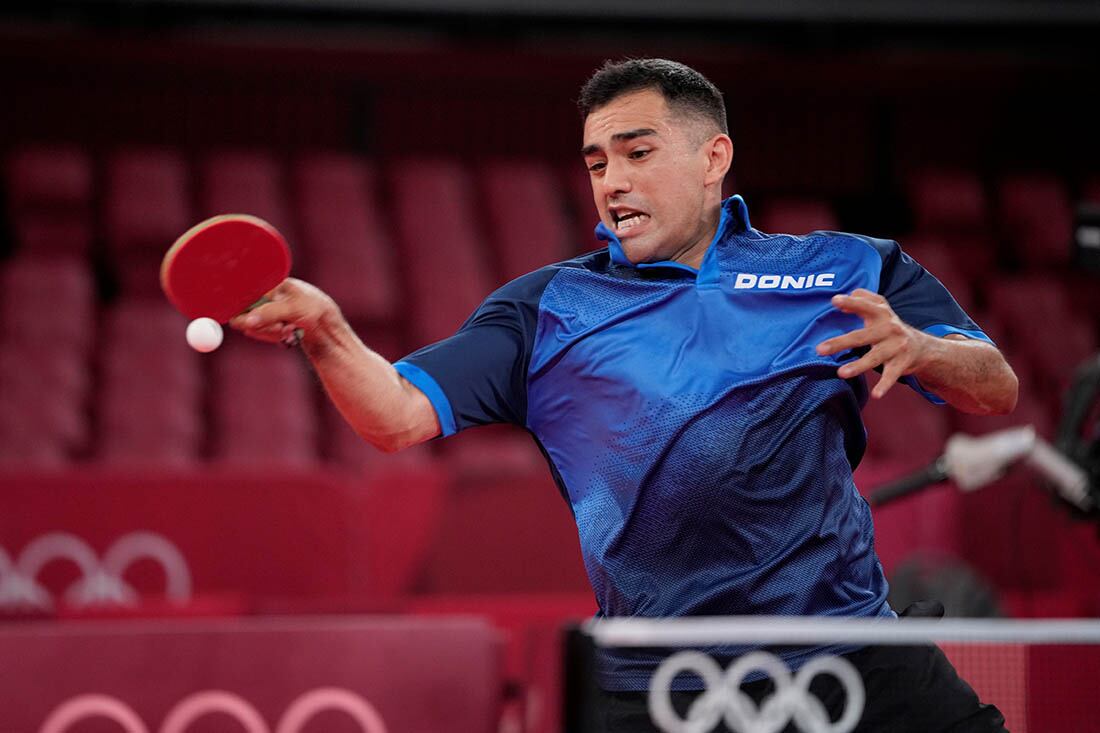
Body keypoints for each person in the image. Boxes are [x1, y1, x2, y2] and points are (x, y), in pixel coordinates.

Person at [233, 58, 1018, 732]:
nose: (613, 181)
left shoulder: (844, 267)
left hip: (852, 658)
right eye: (597, 162)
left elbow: (995, 387)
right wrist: (328, 330)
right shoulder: (548, 309)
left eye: (637, 153)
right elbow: (396, 416)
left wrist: (920, 350)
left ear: (713, 157)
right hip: (658, 686)